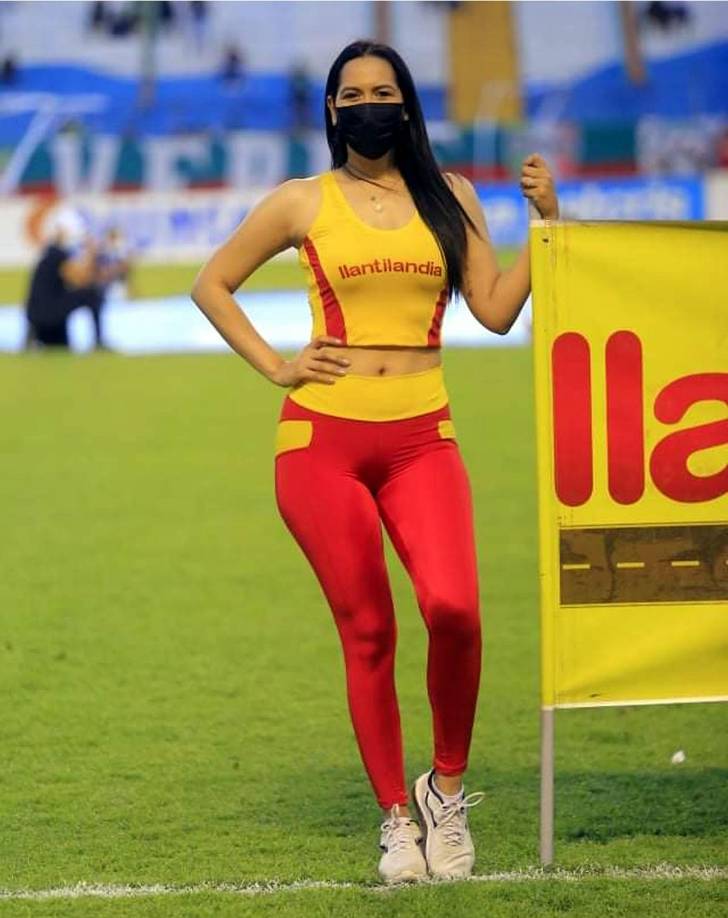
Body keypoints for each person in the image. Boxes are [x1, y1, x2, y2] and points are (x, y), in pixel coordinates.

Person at [191, 39, 558, 885]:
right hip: (320, 444)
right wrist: (278, 364)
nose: (367, 103)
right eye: (351, 92)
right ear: (331, 111)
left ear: (406, 103)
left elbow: (498, 312)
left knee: (456, 610)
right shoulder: (300, 201)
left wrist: (547, 223)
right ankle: (397, 819)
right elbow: (213, 283)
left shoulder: (450, 195)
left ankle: (446, 791)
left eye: (382, 90)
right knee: (370, 630)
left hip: (421, 436)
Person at [24, 208, 126, 351]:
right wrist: (91, 253)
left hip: (39, 315)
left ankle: (32, 337)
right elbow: (82, 280)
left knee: (59, 347)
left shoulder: (52, 253)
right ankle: (98, 341)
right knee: (92, 294)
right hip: (46, 314)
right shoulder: (58, 255)